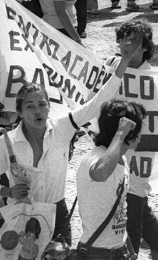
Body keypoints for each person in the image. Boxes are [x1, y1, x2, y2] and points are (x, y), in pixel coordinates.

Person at [7, 31, 137, 244]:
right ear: (19, 112)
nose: (37, 111)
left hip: (57, 216)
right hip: (20, 217)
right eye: (30, 106)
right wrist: (8, 190)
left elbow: (97, 103)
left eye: (42, 105)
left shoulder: (62, 128)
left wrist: (124, 62)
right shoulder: (7, 142)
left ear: (50, 108)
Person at [105, 22, 158, 259]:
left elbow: (153, 125)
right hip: (112, 151)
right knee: (138, 209)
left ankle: (132, 254)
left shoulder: (150, 79)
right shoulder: (111, 66)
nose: (126, 45)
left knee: (131, 212)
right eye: (123, 39)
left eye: (133, 41)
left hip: (137, 156)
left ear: (145, 47)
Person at [75, 100, 145, 259]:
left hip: (119, 252)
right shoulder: (95, 158)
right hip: (96, 253)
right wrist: (121, 133)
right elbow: (100, 173)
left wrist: (130, 251)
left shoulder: (122, 161)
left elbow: (120, 211)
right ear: (131, 133)